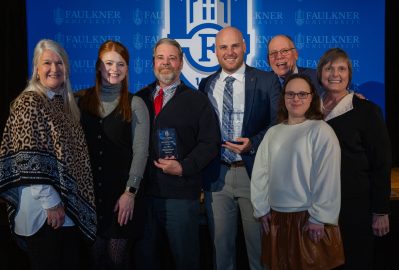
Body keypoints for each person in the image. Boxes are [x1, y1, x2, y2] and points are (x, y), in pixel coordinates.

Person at [0, 39, 96, 270]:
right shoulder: (29, 101)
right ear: (36, 68)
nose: (54, 68)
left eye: (59, 63)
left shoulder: (62, 104)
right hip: (45, 212)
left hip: (65, 211)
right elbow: (29, 158)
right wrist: (52, 203)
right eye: (47, 63)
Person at [199, 26, 281, 270]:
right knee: (221, 252)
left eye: (235, 46)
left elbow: (279, 122)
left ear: (244, 47)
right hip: (217, 177)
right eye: (223, 47)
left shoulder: (266, 81)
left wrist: (253, 144)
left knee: (259, 251)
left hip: (254, 174)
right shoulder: (206, 84)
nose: (230, 52)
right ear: (215, 51)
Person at [134, 38, 220, 270]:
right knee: (145, 260)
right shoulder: (138, 99)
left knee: (186, 260)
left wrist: (184, 166)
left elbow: (210, 143)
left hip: (180, 196)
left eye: (172, 58)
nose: (166, 63)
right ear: (153, 63)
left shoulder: (197, 100)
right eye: (161, 58)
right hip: (144, 196)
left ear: (181, 63)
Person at [251, 73, 344, 270]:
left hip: (308, 219)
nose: (296, 99)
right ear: (283, 98)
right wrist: (261, 208)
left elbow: (328, 177)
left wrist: (319, 217)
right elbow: (261, 173)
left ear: (312, 97)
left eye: (302, 94)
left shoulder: (321, 130)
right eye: (290, 94)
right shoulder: (273, 132)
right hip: (277, 218)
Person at [75, 40, 149, 270]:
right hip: (89, 198)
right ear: (98, 66)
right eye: (108, 63)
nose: (114, 69)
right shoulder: (80, 101)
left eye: (121, 64)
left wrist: (130, 193)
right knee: (96, 260)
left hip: (122, 199)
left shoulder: (135, 104)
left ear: (127, 69)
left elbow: (141, 153)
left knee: (117, 260)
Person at [317, 48, 392, 269]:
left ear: (349, 74)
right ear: (320, 73)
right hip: (318, 208)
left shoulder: (366, 110)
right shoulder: (311, 110)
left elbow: (382, 162)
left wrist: (380, 210)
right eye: (329, 68)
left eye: (341, 68)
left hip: (355, 208)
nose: (335, 74)